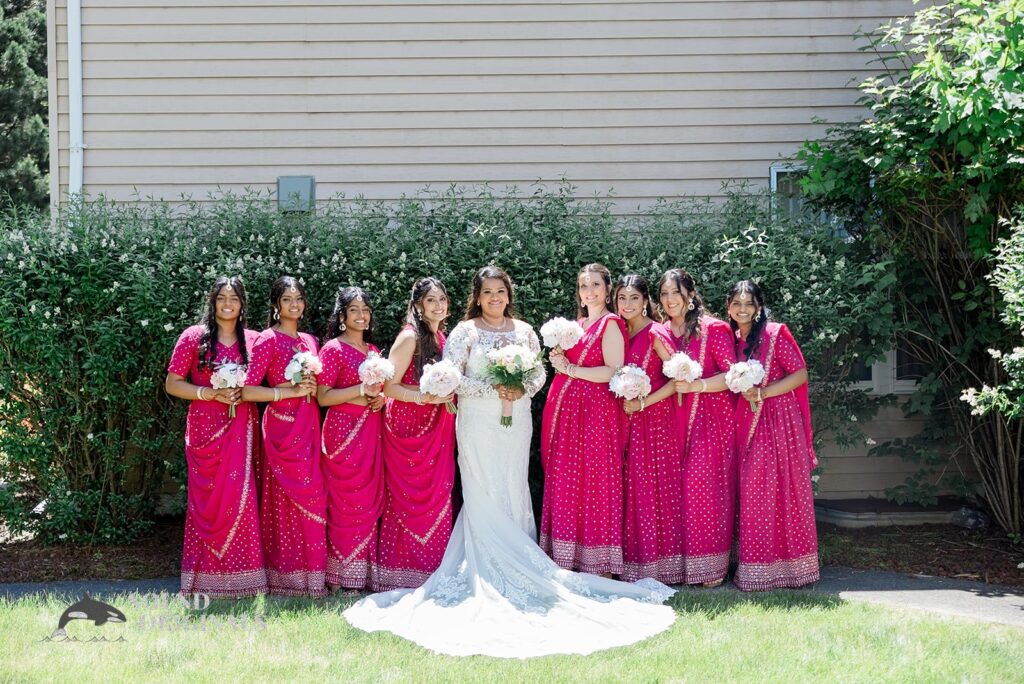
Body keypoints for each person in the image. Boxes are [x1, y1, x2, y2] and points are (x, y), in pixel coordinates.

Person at [343, 266, 676, 659]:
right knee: (483, 488)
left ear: (508, 294)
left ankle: (521, 560)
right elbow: (450, 377)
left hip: (516, 420)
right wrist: (491, 386)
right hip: (478, 422)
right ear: (478, 297)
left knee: (514, 487)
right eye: (487, 292)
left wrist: (520, 386)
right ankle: (484, 566)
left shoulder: (524, 330)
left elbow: (537, 375)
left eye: (500, 291)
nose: (495, 298)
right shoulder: (465, 332)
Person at [165, 276, 267, 598]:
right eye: (222, 297)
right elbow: (172, 383)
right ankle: (203, 582)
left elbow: (268, 379)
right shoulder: (194, 337)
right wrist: (209, 393)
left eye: (234, 298)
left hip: (241, 426)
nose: (227, 304)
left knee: (240, 498)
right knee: (206, 503)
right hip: (205, 429)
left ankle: (245, 582)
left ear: (242, 304)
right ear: (212, 301)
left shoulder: (252, 340)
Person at [727, 280, 819, 591]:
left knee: (783, 490)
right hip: (747, 421)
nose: (742, 309)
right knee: (754, 491)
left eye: (749, 303)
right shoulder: (730, 340)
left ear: (758, 307)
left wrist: (763, 392)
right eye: (737, 303)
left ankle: (794, 570)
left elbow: (800, 374)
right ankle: (757, 570)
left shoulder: (775, 333)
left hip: (779, 420)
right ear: (728, 307)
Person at [242, 275, 326, 597]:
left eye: (299, 298)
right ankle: (286, 579)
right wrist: (284, 392)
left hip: (308, 425)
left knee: (314, 498)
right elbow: (249, 390)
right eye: (287, 299)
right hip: (281, 428)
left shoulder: (310, 342)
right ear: (277, 305)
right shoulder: (268, 340)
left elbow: (318, 388)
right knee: (284, 501)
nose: (294, 304)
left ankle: (313, 579)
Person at [541, 263, 627, 575]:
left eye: (595, 285)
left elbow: (613, 371)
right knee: (568, 480)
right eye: (583, 285)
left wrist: (571, 370)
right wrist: (559, 360)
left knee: (595, 480)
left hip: (596, 413)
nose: (589, 291)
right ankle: (567, 557)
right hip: (569, 414)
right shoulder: (577, 324)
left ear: (607, 289)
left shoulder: (610, 325)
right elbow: (570, 363)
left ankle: (599, 562)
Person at [374, 277, 456, 591]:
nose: (438, 306)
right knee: (408, 499)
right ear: (419, 305)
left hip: (437, 427)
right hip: (408, 428)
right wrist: (424, 397)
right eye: (431, 300)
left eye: (442, 300)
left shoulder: (443, 338)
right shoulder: (409, 337)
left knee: (439, 494)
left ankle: (432, 569)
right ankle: (400, 572)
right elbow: (390, 387)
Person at [658, 269, 737, 587]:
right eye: (664, 293)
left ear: (691, 295)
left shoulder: (713, 329)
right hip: (669, 421)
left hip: (710, 420)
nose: (669, 299)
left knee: (704, 489)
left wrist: (699, 385)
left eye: (675, 292)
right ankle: (680, 567)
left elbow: (733, 376)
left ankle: (711, 567)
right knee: (676, 493)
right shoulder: (661, 332)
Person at [616, 275, 686, 585]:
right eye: (622, 298)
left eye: (634, 298)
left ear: (646, 301)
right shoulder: (618, 332)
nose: (627, 304)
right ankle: (631, 562)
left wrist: (645, 403)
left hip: (655, 421)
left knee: (654, 491)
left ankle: (661, 567)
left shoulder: (655, 333)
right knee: (629, 489)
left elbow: (677, 379)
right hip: (625, 421)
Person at [317, 287, 385, 592]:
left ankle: (360, 576)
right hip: (342, 432)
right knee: (344, 501)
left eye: (366, 310)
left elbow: (379, 390)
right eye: (354, 310)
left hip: (370, 430)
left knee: (366, 501)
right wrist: (361, 391)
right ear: (342, 316)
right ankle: (337, 578)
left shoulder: (374, 352)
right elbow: (323, 396)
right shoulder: (333, 349)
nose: (362, 315)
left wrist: (380, 399)